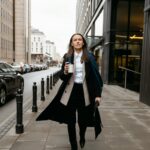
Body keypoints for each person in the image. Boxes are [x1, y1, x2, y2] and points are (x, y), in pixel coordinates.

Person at [36, 33, 103, 150]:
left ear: (83, 42)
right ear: (72, 43)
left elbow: (95, 77)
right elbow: (62, 76)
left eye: (79, 39)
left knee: (83, 120)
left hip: (85, 92)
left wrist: (98, 95)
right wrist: (65, 72)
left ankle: (82, 135)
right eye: (75, 40)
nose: (77, 41)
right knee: (70, 120)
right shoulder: (67, 56)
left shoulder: (90, 57)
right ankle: (74, 146)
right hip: (70, 91)